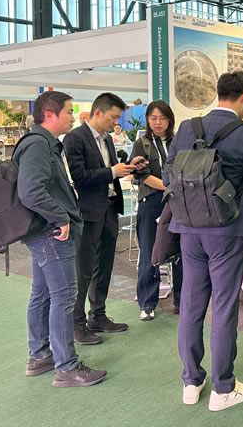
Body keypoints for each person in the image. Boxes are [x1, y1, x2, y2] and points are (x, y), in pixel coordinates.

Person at [164, 71, 243, 412]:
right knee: (224, 307)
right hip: (228, 231)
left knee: (191, 304)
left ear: (219, 93)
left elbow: (168, 175)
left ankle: (191, 381)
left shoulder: (186, 128)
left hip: (188, 229)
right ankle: (223, 387)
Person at [15, 91, 106, 387]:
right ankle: (66, 367)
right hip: (50, 233)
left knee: (43, 294)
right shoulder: (38, 145)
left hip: (44, 231)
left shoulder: (45, 144)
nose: (73, 117)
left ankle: (40, 356)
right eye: (68, 111)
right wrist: (61, 217)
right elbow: (31, 191)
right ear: (49, 114)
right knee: (64, 296)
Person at [65, 92, 144, 345]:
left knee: (105, 265)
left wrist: (128, 166)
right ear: (98, 112)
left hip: (110, 209)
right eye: (113, 117)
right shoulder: (75, 138)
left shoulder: (107, 139)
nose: (115, 122)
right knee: (83, 269)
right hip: (88, 212)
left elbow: (108, 172)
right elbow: (79, 176)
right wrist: (112, 171)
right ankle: (77, 325)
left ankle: (97, 316)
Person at [131, 100, 181, 320]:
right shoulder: (141, 144)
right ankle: (147, 303)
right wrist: (168, 186)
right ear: (148, 120)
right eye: (153, 118)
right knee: (149, 252)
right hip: (151, 202)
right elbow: (141, 175)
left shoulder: (178, 142)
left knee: (181, 251)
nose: (158, 122)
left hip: (177, 202)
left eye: (162, 118)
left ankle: (182, 300)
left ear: (169, 119)